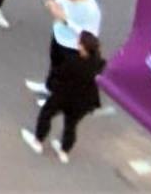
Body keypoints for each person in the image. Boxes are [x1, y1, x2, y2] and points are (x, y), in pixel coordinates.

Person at [24, 31, 105, 164]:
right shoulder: (100, 63)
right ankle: (63, 151)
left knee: (46, 114)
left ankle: (38, 141)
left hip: (64, 95)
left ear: (82, 47)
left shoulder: (73, 60)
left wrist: (52, 86)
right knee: (71, 125)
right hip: (83, 101)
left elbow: (58, 74)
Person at [44, 0, 102, 71]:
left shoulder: (89, 10)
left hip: (72, 43)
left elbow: (87, 33)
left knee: (65, 69)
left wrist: (64, 20)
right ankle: (49, 85)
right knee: (55, 60)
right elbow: (62, 2)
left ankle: (57, 85)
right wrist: (54, 4)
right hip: (60, 35)